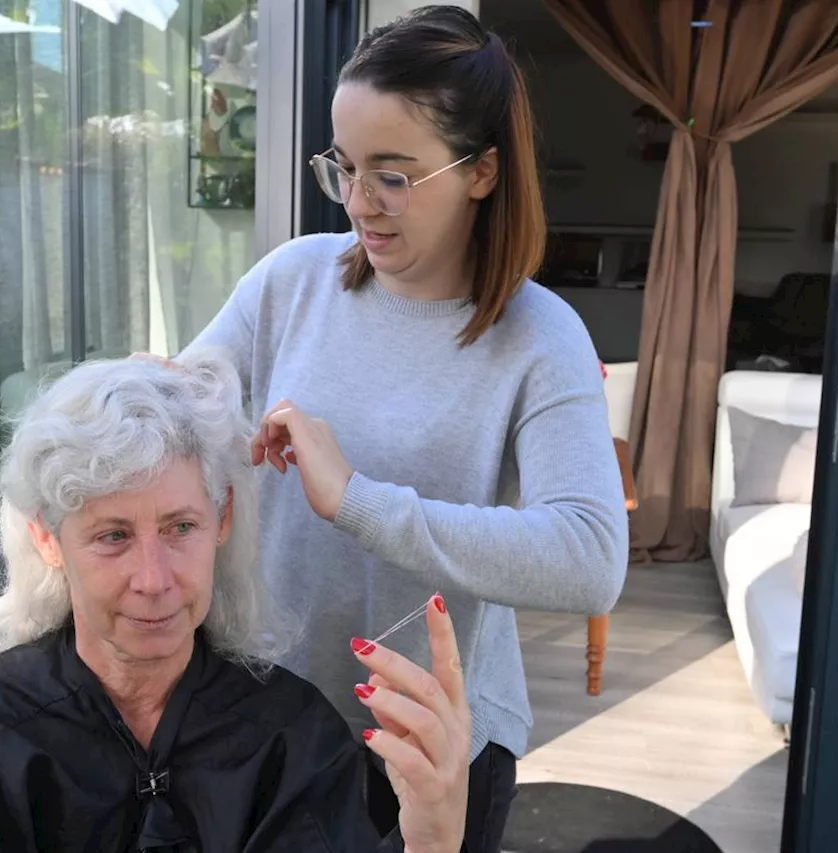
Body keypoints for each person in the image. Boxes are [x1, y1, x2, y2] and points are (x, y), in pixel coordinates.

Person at [185, 6, 629, 851]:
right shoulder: (292, 279)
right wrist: (173, 407)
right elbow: (190, 400)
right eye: (344, 167)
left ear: (483, 171)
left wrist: (356, 499)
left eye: (393, 174)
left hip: (428, 750)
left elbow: (590, 558)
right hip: (261, 718)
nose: (359, 203)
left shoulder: (540, 337)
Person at [0, 350, 471, 853]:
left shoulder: (294, 738)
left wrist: (430, 843)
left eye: (180, 527)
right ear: (47, 539)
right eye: (113, 536)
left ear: (223, 519)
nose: (154, 579)